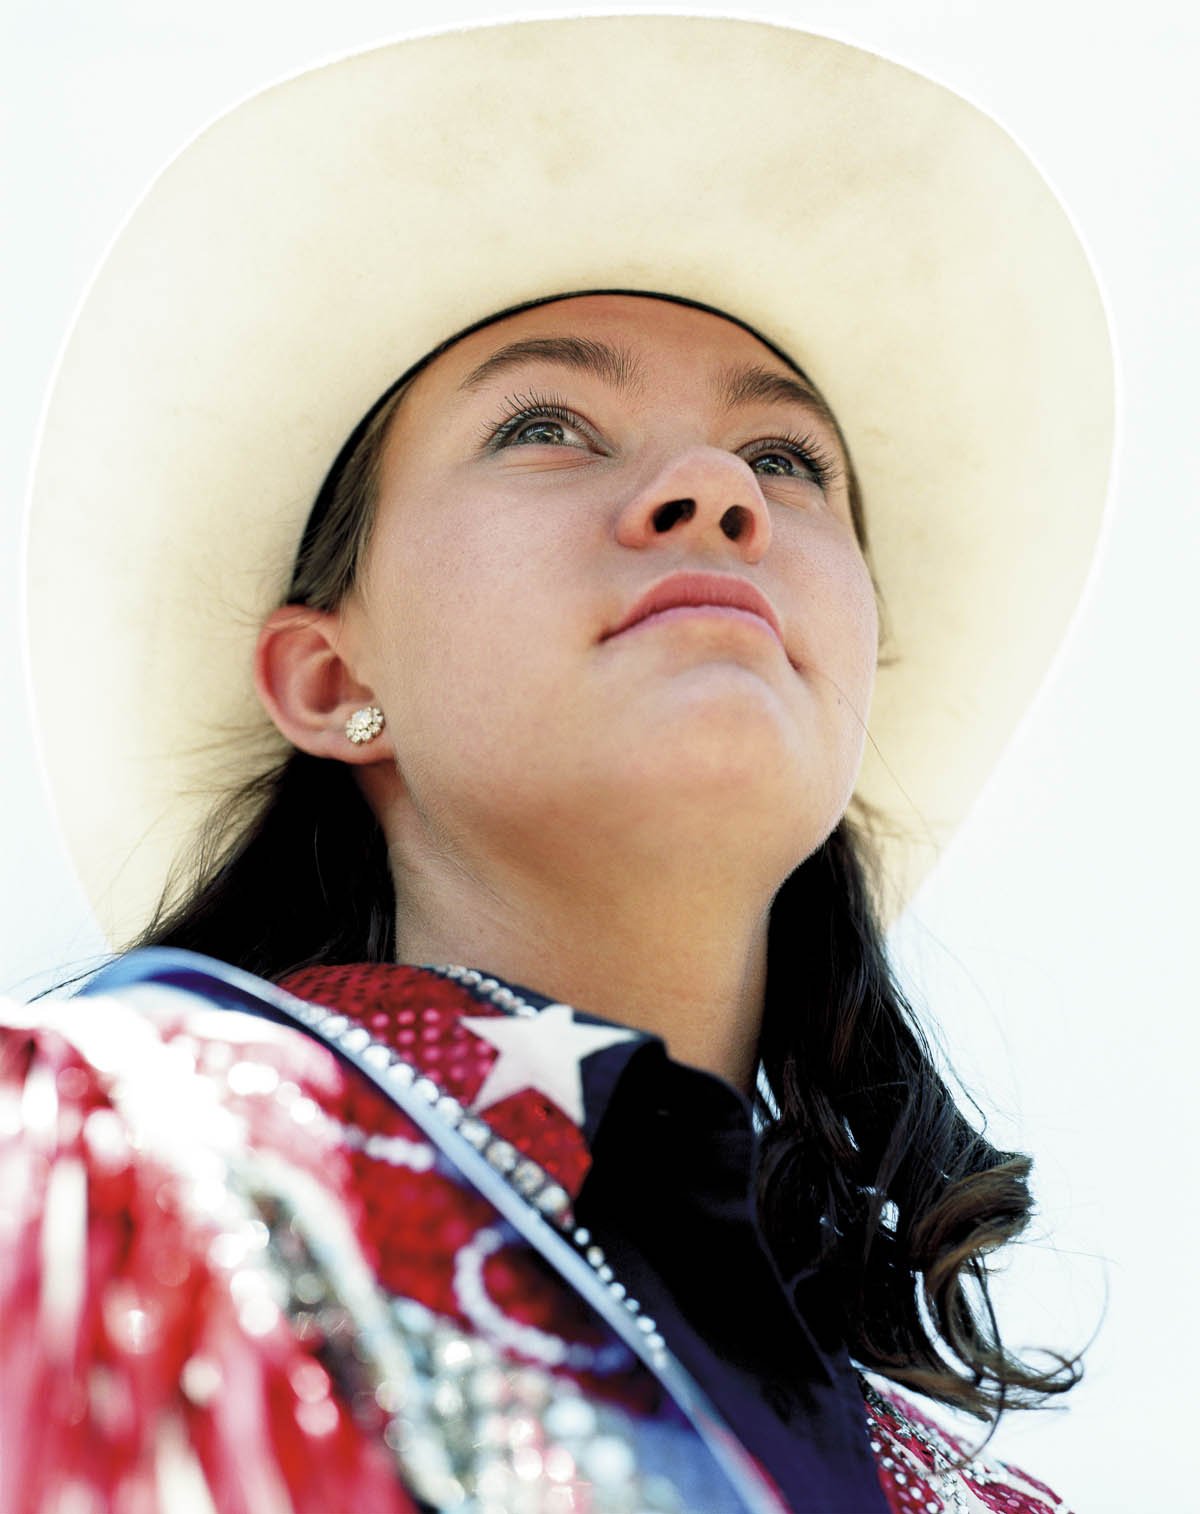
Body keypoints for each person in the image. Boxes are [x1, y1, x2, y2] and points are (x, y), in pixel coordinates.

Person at [2, 14, 1112, 1514]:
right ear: (333, 679)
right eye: (548, 424)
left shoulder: (988, 1502)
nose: (717, 492)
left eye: (788, 461)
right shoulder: (86, 1146)